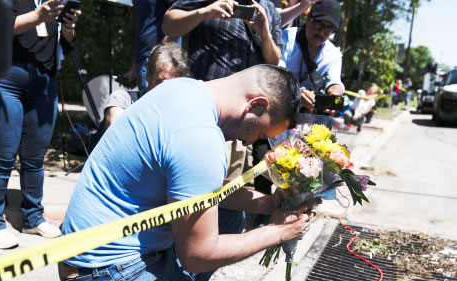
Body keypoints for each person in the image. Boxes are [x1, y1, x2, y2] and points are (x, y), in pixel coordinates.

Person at [40, 65, 319, 281]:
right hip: (102, 275)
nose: (248, 142)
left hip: (91, 254)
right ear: (255, 105)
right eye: (259, 134)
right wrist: (280, 232)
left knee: (229, 217)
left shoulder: (184, 90)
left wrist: (266, 203)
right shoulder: (200, 140)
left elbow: (200, 190)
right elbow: (199, 254)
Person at [0, 0, 81, 249]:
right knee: (2, 155)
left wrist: (68, 26)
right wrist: (38, 15)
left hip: (43, 79)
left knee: (35, 158)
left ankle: (33, 218)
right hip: (3, 76)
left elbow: (65, 44)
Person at [163, 0, 285, 184]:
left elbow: (274, 60)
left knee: (226, 189)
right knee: (194, 181)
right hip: (202, 111)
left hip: (242, 119)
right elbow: (169, 24)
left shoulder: (268, 8)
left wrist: (264, 33)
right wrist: (204, 12)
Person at [104, 42, 190, 128]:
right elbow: (117, 133)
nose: (166, 90)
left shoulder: (183, 110)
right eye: (161, 82)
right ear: (148, 73)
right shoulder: (123, 100)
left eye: (173, 85)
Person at [278, 0, 344, 112]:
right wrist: (296, 93)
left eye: (329, 29)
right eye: (319, 25)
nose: (322, 33)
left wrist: (335, 92)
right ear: (309, 18)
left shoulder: (334, 54)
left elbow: (334, 81)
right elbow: (275, 76)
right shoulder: (286, 39)